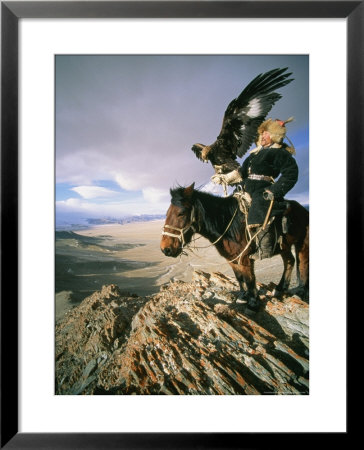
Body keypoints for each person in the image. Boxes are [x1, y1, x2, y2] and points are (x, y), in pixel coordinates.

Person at [238, 117, 299, 259]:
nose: (262, 136)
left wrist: (274, 190)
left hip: (263, 189)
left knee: (259, 205)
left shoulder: (279, 152)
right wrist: (227, 177)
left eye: (266, 133)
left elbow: (291, 173)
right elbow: (242, 172)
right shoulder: (254, 154)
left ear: (274, 136)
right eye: (262, 133)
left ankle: (264, 247)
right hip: (246, 187)